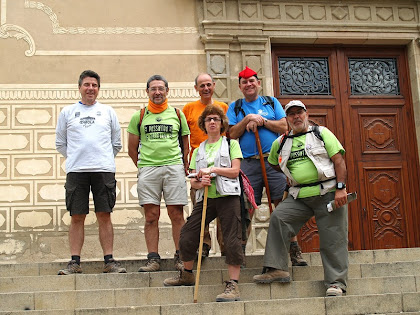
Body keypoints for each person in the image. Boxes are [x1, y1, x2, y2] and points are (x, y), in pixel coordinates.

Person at [253, 100, 349, 297]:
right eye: (292, 114)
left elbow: (339, 161)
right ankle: (276, 268)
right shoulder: (280, 142)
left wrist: (340, 189)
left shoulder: (321, 133)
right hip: (299, 195)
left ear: (306, 114)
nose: (296, 117)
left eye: (300, 113)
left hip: (327, 192)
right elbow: (273, 163)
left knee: (333, 239)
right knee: (279, 217)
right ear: (287, 119)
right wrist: (292, 174)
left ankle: (336, 283)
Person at [226, 66, 307, 266]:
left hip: (274, 162)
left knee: (282, 205)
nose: (249, 84)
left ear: (258, 83)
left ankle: (293, 250)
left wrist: (262, 122)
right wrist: (247, 120)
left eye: (252, 81)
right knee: (245, 208)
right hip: (247, 164)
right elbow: (231, 134)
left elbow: (284, 126)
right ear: (240, 86)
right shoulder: (235, 107)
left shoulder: (271, 103)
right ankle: (240, 253)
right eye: (244, 82)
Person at [163, 105, 243, 302]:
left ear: (222, 123)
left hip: (228, 196)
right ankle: (187, 273)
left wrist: (213, 170)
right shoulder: (199, 150)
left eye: (216, 119)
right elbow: (193, 180)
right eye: (209, 120)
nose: (213, 122)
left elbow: (235, 172)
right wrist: (201, 181)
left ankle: (233, 284)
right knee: (188, 233)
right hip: (206, 198)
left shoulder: (231, 144)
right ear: (204, 125)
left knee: (232, 238)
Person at [56, 70, 126, 275]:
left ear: (98, 89)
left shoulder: (107, 112)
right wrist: (78, 158)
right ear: (79, 88)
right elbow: (61, 143)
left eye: (94, 85)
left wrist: (101, 158)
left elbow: (116, 143)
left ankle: (109, 261)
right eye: (86, 85)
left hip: (103, 170)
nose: (90, 88)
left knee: (104, 214)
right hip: (76, 171)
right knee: (77, 216)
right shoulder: (67, 112)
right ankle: (75, 262)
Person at [127, 75, 190, 272]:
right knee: (151, 216)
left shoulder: (178, 115)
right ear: (147, 92)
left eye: (161, 88)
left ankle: (180, 257)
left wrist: (183, 165)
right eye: (153, 89)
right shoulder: (139, 116)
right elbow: (132, 148)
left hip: (173, 167)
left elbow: (187, 146)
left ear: (167, 91)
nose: (157, 92)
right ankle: (153, 259)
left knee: (176, 214)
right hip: (148, 169)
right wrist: (144, 166)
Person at [182, 73, 229, 257]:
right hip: (199, 165)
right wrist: (186, 160)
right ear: (196, 88)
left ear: (214, 85)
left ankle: (225, 247)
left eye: (209, 84)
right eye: (202, 85)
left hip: (221, 164)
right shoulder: (189, 108)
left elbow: (229, 134)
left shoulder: (223, 107)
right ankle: (203, 246)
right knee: (200, 208)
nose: (206, 88)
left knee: (224, 209)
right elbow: (184, 136)